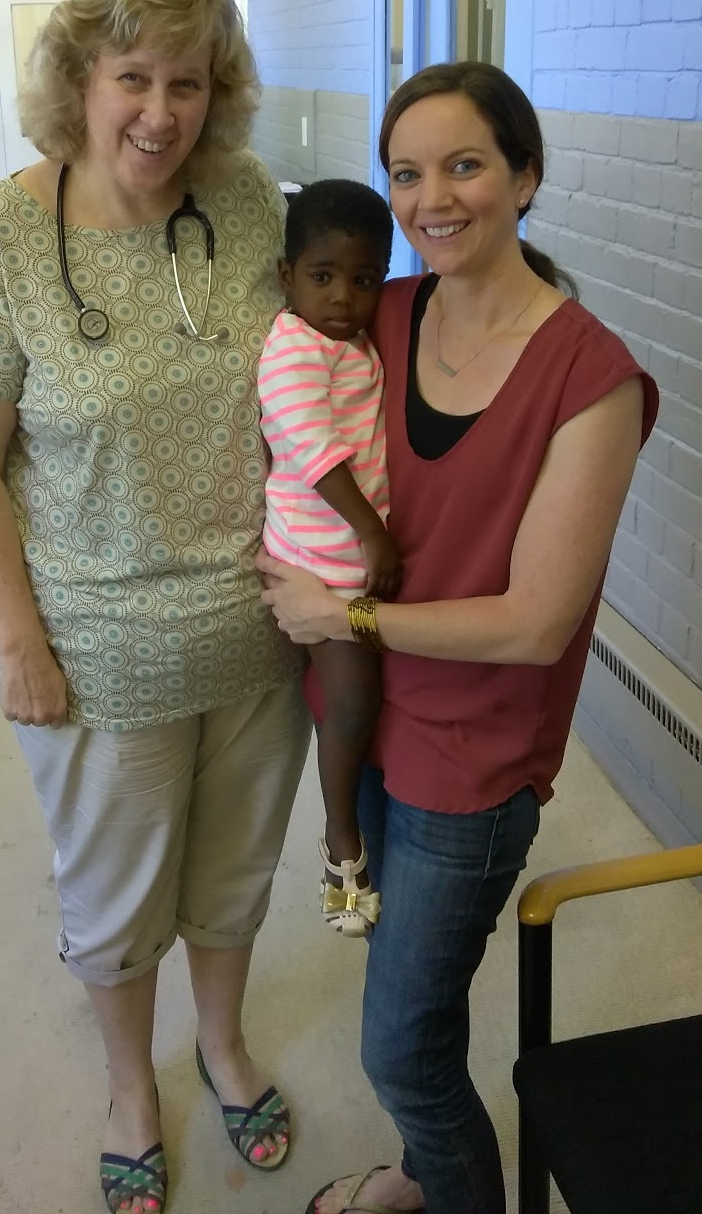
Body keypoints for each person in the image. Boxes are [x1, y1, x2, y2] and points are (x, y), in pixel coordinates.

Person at [0, 0, 310, 1214]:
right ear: (80, 77)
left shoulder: (247, 203)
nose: (160, 112)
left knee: (235, 873)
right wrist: (18, 642)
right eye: (134, 77)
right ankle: (132, 1088)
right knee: (117, 898)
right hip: (99, 650)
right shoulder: (0, 237)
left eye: (188, 82)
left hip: (262, 631)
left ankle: (225, 1046)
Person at [258, 61, 659, 1214]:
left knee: (400, 1048)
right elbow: (285, 405)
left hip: (470, 761)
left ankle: (448, 1180)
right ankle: (421, 1174)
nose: (431, 197)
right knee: (406, 991)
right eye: (407, 174)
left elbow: (536, 625)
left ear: (526, 175)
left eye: (466, 164)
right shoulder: (380, 311)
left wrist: (344, 614)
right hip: (365, 715)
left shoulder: (591, 380)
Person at [258, 179, 400, 937]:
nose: (343, 296)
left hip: (340, 550)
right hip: (321, 560)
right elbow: (313, 452)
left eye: (364, 279)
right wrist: (374, 532)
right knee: (351, 706)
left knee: (362, 701)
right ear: (288, 277)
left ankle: (353, 825)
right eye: (323, 276)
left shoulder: (348, 342)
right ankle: (341, 840)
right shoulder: (293, 347)